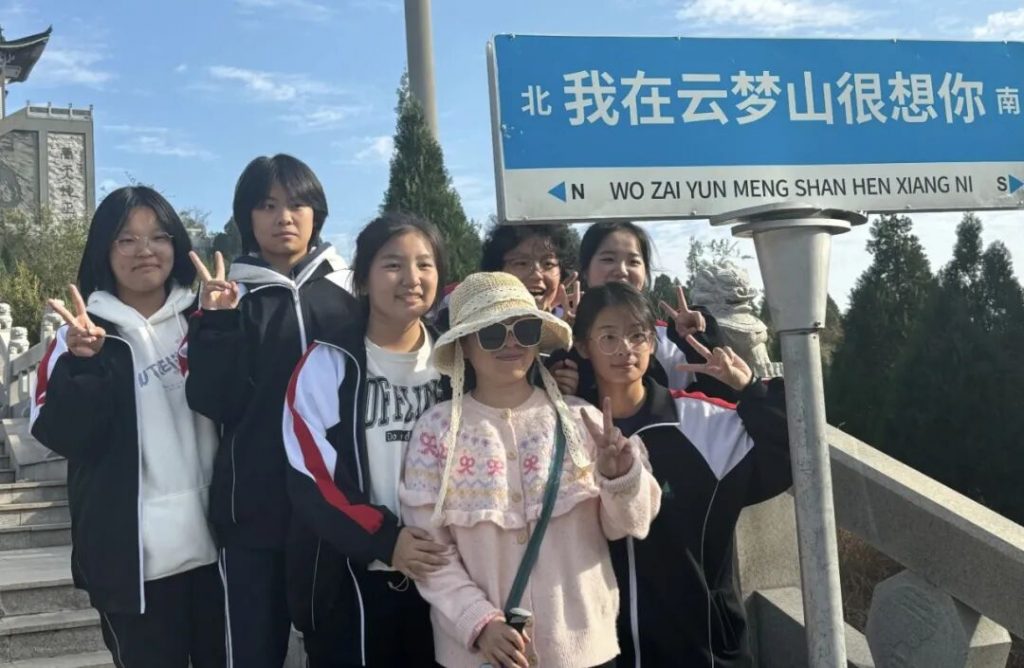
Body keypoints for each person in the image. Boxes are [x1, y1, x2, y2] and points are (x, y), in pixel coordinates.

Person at [400, 272, 661, 668]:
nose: (511, 343)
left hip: (584, 650)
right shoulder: (434, 432)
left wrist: (620, 477)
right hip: (481, 655)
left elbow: (628, 525)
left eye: (524, 330)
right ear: (464, 346)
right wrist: (478, 623)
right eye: (492, 334)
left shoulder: (582, 421)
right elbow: (429, 552)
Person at [30, 186, 225, 667]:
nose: (145, 251)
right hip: (132, 561)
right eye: (126, 239)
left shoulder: (204, 321)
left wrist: (225, 327)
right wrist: (84, 366)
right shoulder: (78, 338)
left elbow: (238, 405)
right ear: (104, 249)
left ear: (177, 244)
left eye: (158, 237)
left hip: (219, 548)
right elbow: (62, 436)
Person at [185, 154, 358, 667]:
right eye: (267, 205)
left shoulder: (351, 292)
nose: (284, 217)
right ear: (247, 216)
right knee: (252, 653)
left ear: (317, 213)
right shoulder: (227, 298)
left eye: (297, 204)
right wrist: (217, 324)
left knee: (341, 650)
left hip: (340, 511)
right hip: (253, 514)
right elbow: (212, 401)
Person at [573, 282, 791, 668]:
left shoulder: (702, 424)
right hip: (599, 652)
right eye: (608, 337)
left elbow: (787, 456)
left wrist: (750, 389)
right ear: (583, 346)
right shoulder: (565, 430)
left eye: (637, 335)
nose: (625, 348)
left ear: (653, 343)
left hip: (700, 648)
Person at [282, 212, 448, 667]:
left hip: (446, 578)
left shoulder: (456, 360)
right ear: (363, 277)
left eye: (425, 264)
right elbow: (311, 475)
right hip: (351, 582)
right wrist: (386, 539)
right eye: (393, 264)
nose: (411, 278)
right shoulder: (328, 361)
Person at [550, 221, 734, 402]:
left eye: (633, 261)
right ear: (585, 270)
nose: (621, 271)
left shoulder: (669, 340)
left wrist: (700, 340)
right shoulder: (552, 329)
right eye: (608, 259)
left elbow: (717, 403)